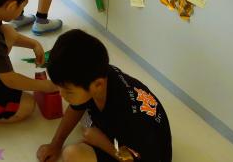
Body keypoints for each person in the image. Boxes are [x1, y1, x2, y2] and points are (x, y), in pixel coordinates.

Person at [37, 30, 172, 162]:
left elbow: (131, 159)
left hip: (144, 155)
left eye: (68, 92)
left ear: (98, 85)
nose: (61, 94)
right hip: (132, 134)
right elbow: (76, 107)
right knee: (84, 121)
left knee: (72, 154)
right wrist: (56, 143)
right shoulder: (95, 75)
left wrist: (101, 142)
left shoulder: (126, 117)